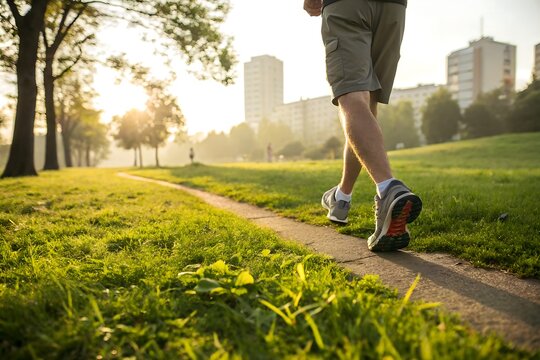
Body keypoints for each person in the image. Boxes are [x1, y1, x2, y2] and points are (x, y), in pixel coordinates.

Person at [304, 0, 422, 252]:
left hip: (348, 5)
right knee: (366, 107)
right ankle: (341, 198)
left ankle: (389, 188)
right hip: (394, 8)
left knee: (351, 97)